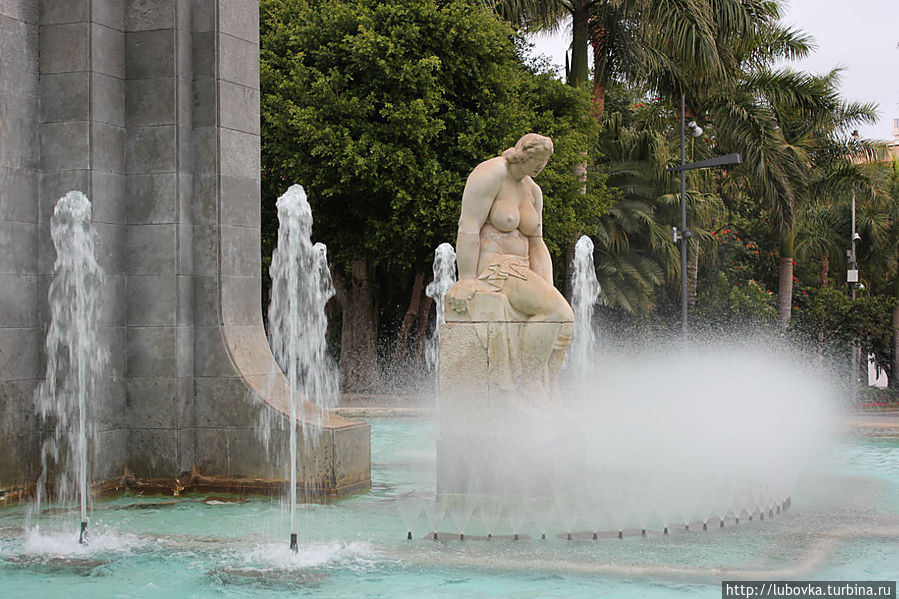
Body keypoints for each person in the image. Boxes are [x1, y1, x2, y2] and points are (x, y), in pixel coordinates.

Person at [446, 133, 573, 395]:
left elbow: (537, 244)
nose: (541, 166)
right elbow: (469, 225)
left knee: (565, 320)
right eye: (537, 159)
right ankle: (529, 385)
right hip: (494, 268)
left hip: (521, 271)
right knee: (556, 312)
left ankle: (548, 386)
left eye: (545, 161)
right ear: (523, 154)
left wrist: (546, 288)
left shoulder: (533, 191)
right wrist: (466, 278)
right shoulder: (491, 173)